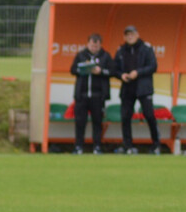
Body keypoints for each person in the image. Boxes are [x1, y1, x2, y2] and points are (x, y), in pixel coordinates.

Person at [114, 25, 161, 154]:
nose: (130, 36)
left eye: (132, 34)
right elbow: (115, 68)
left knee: (149, 115)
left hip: (143, 88)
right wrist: (121, 75)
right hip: (127, 88)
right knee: (125, 117)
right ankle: (128, 145)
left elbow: (153, 66)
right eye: (127, 34)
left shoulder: (146, 48)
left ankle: (156, 144)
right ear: (124, 37)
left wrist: (138, 73)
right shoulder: (121, 50)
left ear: (137, 35)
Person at [69, 32, 113, 154]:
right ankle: (78, 147)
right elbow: (73, 70)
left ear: (100, 45)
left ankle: (97, 147)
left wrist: (101, 71)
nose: (94, 48)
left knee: (97, 122)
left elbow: (113, 71)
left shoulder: (105, 56)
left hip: (98, 96)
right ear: (88, 44)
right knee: (80, 122)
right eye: (92, 46)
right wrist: (83, 69)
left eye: (96, 46)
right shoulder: (81, 55)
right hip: (82, 95)